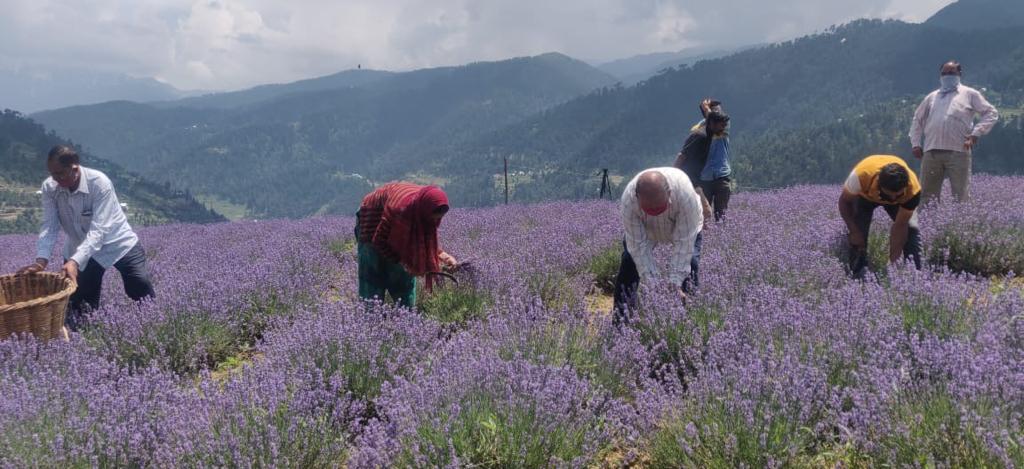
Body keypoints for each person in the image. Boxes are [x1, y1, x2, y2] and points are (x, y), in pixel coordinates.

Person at [16, 145, 155, 331]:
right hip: (79, 246)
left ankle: (151, 325)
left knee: (140, 284)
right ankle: (83, 339)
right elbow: (50, 225)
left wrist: (74, 261)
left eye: (60, 174)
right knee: (79, 304)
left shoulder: (99, 183)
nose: (55, 179)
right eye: (52, 174)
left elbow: (99, 230)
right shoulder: (50, 187)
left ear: (74, 168)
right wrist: (41, 260)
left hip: (118, 242)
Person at [613, 168, 703, 325]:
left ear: (670, 193)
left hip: (681, 226)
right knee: (629, 262)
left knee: (692, 264)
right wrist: (655, 286)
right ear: (637, 197)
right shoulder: (628, 202)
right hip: (646, 230)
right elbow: (638, 248)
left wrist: (674, 284)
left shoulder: (685, 195)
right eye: (650, 209)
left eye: (659, 208)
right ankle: (621, 323)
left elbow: (683, 244)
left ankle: (689, 323)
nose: (655, 213)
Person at [909, 60, 999, 204]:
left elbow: (991, 113)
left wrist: (976, 133)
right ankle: (929, 225)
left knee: (960, 195)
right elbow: (917, 119)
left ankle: (960, 225)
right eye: (944, 73)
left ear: (959, 74)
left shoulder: (970, 94)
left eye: (951, 73)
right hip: (932, 151)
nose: (947, 76)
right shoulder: (932, 96)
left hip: (958, 151)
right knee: (927, 195)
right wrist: (915, 143)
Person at [355, 182, 458, 307]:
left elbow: (425, 237)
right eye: (434, 217)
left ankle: (406, 314)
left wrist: (443, 256)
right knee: (372, 274)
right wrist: (406, 264)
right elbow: (379, 240)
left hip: (394, 209)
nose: (436, 221)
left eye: (439, 218)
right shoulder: (400, 210)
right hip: (372, 218)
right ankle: (370, 318)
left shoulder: (425, 206)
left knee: (404, 283)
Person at [838, 155, 923, 279]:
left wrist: (893, 262)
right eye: (889, 195)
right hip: (864, 197)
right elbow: (844, 202)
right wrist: (854, 231)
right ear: (878, 184)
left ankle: (915, 275)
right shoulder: (860, 176)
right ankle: (856, 272)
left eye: (897, 195)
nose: (893, 199)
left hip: (900, 200)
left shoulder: (913, 190)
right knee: (859, 227)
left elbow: (900, 226)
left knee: (911, 229)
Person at [674, 103, 731, 221]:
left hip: (721, 176)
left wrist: (707, 109)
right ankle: (706, 236)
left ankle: (718, 235)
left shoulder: (723, 129)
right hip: (704, 178)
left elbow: (715, 120)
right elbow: (682, 156)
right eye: (716, 111)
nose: (724, 124)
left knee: (722, 214)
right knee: (703, 214)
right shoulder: (700, 133)